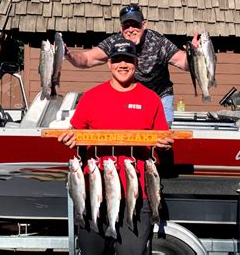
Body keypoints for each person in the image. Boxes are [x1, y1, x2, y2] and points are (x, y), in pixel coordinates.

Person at [59, 39, 173, 255]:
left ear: (136, 63)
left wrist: (164, 145)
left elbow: (163, 139)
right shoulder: (91, 97)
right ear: (109, 63)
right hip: (95, 191)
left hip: (137, 195)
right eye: (118, 59)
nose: (123, 64)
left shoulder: (151, 99)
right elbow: (75, 132)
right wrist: (70, 139)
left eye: (128, 60)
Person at [65, 4, 198, 125]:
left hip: (160, 95)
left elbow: (183, 62)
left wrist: (194, 55)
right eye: (126, 26)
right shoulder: (115, 42)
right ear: (120, 28)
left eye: (135, 24)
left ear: (144, 25)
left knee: (162, 138)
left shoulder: (158, 42)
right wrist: (68, 54)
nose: (131, 29)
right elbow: (87, 59)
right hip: (130, 96)